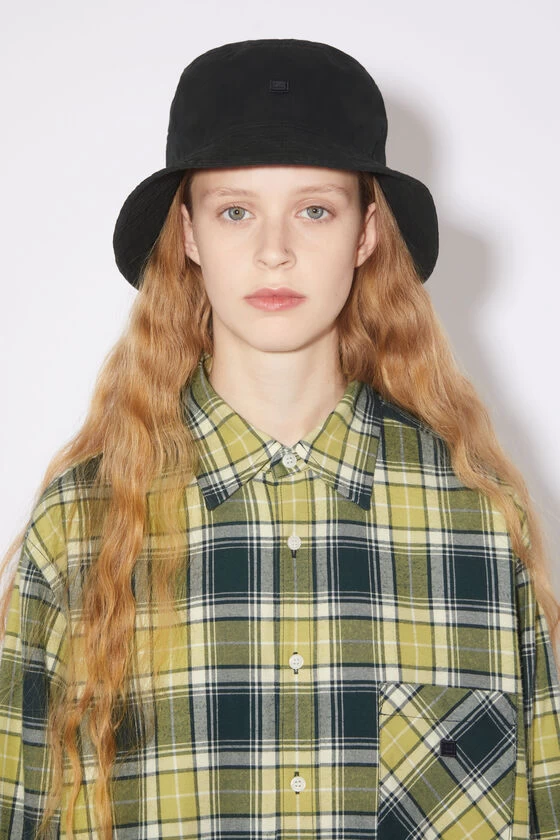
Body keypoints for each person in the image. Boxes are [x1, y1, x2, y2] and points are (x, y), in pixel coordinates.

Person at [0, 37, 559, 840]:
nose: (274, 251)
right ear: (188, 234)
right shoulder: (80, 525)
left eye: (314, 210)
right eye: (236, 211)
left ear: (366, 233)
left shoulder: (474, 518)